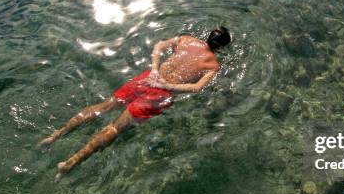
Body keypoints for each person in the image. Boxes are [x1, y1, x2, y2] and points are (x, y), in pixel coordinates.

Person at [39, 27, 231, 181]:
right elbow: (196, 88)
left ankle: (55, 136)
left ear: (208, 36)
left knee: (104, 106)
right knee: (115, 128)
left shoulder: (185, 39)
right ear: (221, 48)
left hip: (146, 78)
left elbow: (158, 47)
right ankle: (69, 164)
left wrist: (155, 71)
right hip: (161, 93)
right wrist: (166, 85)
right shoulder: (213, 65)